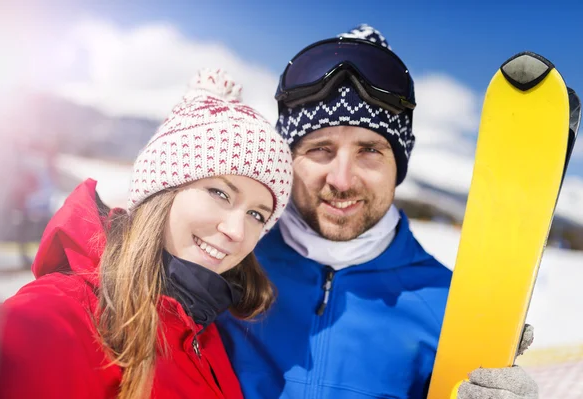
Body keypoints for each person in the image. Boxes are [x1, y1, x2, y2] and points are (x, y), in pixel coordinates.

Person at [217, 24, 539, 399]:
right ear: (288, 159)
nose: (341, 179)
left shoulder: (449, 309)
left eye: (369, 150)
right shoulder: (226, 264)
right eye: (320, 148)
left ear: (397, 166)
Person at [0, 68, 293, 399]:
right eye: (219, 193)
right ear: (162, 191)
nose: (236, 231)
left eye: (256, 214)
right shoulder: (56, 316)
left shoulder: (206, 333)